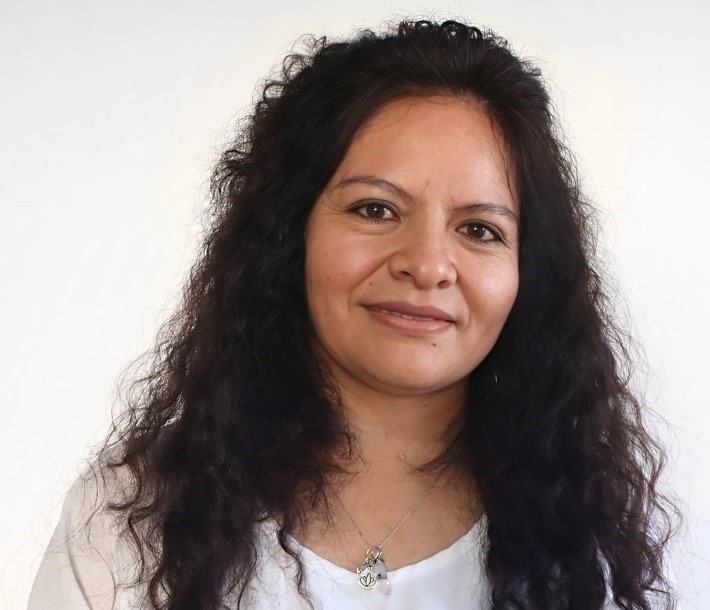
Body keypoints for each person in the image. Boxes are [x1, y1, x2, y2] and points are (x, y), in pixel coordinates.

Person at [28, 19, 678, 610]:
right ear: (289, 235)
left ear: (528, 273)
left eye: (479, 229)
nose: (427, 264)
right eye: (375, 209)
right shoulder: (126, 520)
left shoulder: (608, 537)